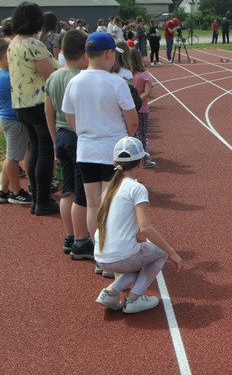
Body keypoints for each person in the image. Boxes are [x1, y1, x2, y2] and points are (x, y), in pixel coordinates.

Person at [62, 31, 139, 276]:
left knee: (93, 204)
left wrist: (85, 133)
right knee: (113, 204)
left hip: (86, 151)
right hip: (112, 151)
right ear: (108, 55)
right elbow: (133, 121)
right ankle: (112, 256)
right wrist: (129, 141)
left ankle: (99, 255)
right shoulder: (117, 83)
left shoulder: (74, 81)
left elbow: (69, 115)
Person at [93, 136, 182, 313]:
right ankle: (133, 299)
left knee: (137, 261)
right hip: (121, 257)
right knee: (160, 253)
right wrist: (173, 253)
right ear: (141, 162)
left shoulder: (109, 189)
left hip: (100, 257)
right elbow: (146, 227)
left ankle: (110, 292)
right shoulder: (137, 188)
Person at [43, 29, 91, 258]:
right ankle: (81, 241)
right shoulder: (81, 78)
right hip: (77, 136)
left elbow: (48, 110)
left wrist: (53, 139)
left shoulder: (53, 77)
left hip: (61, 135)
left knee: (67, 189)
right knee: (82, 193)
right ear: (85, 54)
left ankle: (70, 235)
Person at [8, 2, 59, 215]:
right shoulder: (33, 44)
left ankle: (37, 197)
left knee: (36, 150)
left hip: (21, 103)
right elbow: (50, 73)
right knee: (45, 151)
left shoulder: (13, 43)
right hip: (39, 103)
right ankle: (42, 199)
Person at [0, 38, 31, 205]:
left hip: (5, 117)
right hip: (13, 120)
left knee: (10, 155)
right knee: (13, 158)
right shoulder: (8, 77)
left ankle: (4, 189)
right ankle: (15, 191)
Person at [130, 48, 157, 169]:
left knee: (135, 133)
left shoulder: (129, 75)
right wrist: (138, 101)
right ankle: (144, 158)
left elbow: (147, 92)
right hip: (140, 108)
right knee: (141, 133)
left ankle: (138, 157)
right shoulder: (144, 74)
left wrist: (132, 102)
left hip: (132, 109)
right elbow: (147, 92)